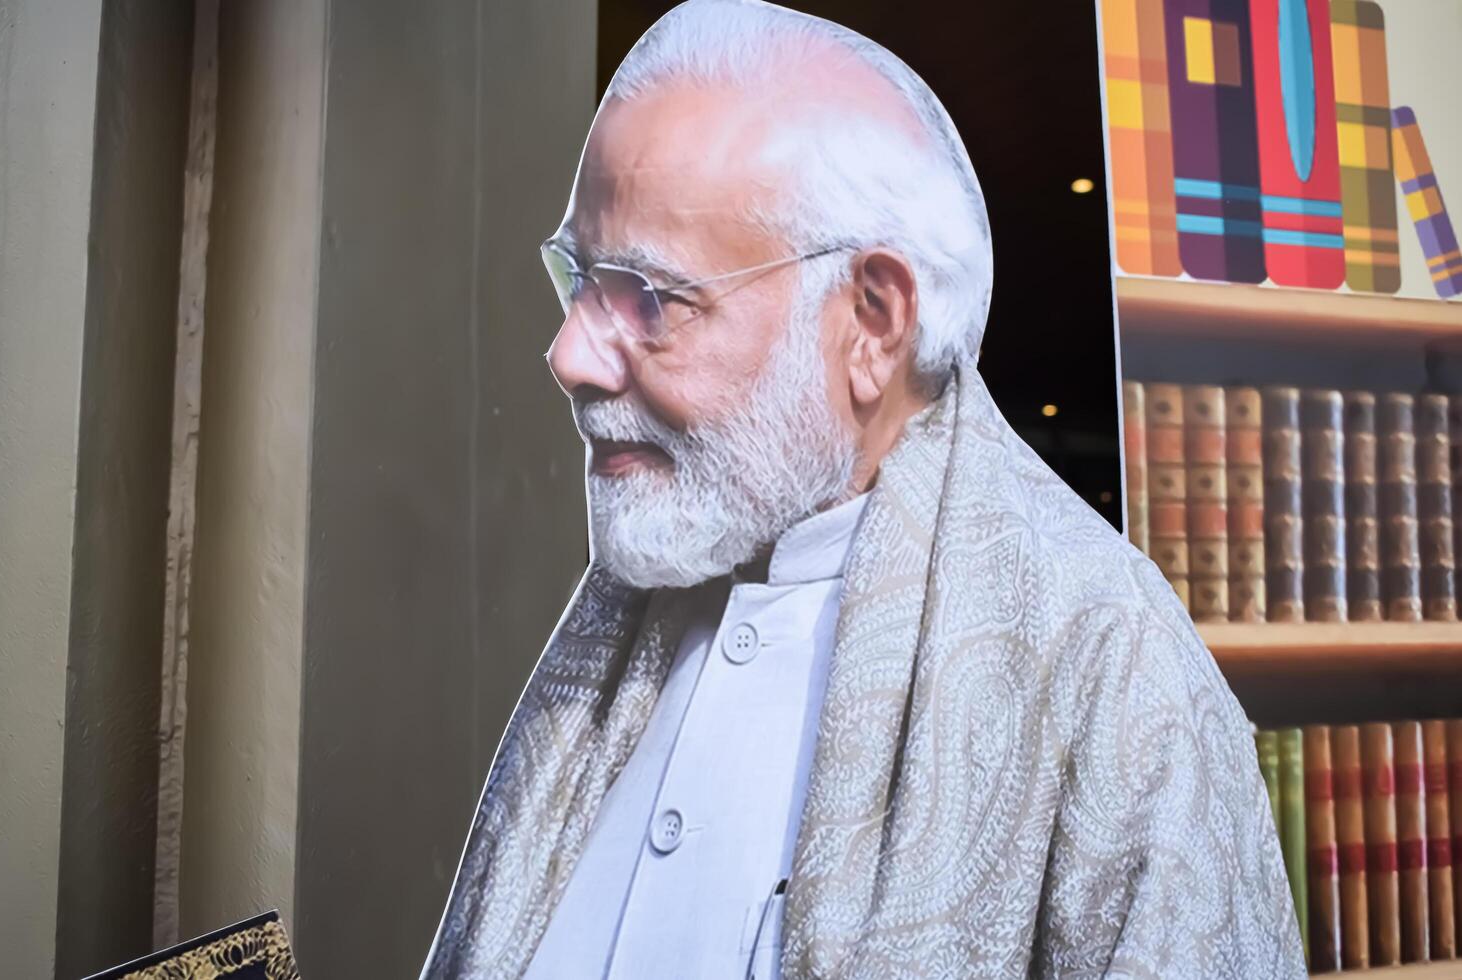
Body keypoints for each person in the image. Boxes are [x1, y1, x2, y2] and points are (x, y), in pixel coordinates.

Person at [421, 1, 1307, 977]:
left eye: (647, 297)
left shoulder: (1107, 654)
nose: (569, 355)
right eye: (580, 280)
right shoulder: (627, 629)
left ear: (873, 322)